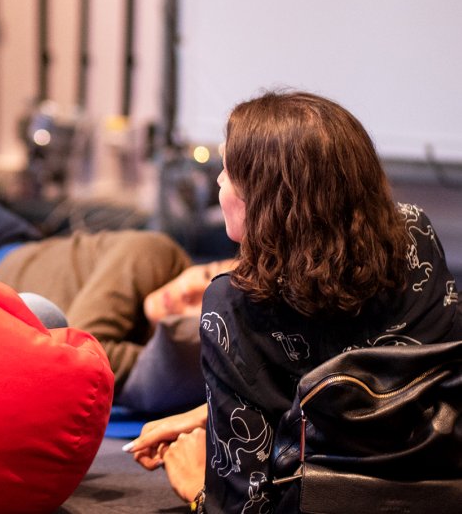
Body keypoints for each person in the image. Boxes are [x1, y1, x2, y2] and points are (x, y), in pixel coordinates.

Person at [124, 91, 461, 511]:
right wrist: (209, 412)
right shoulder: (414, 231)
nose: (218, 182)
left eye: (227, 172)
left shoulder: (234, 303)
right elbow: (372, 381)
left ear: (266, 199)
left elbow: (241, 507)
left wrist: (195, 481)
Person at [0, 195, 236, 415]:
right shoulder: (153, 252)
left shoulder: (170, 339)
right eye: (204, 272)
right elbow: (81, 353)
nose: (189, 292)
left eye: (203, 303)